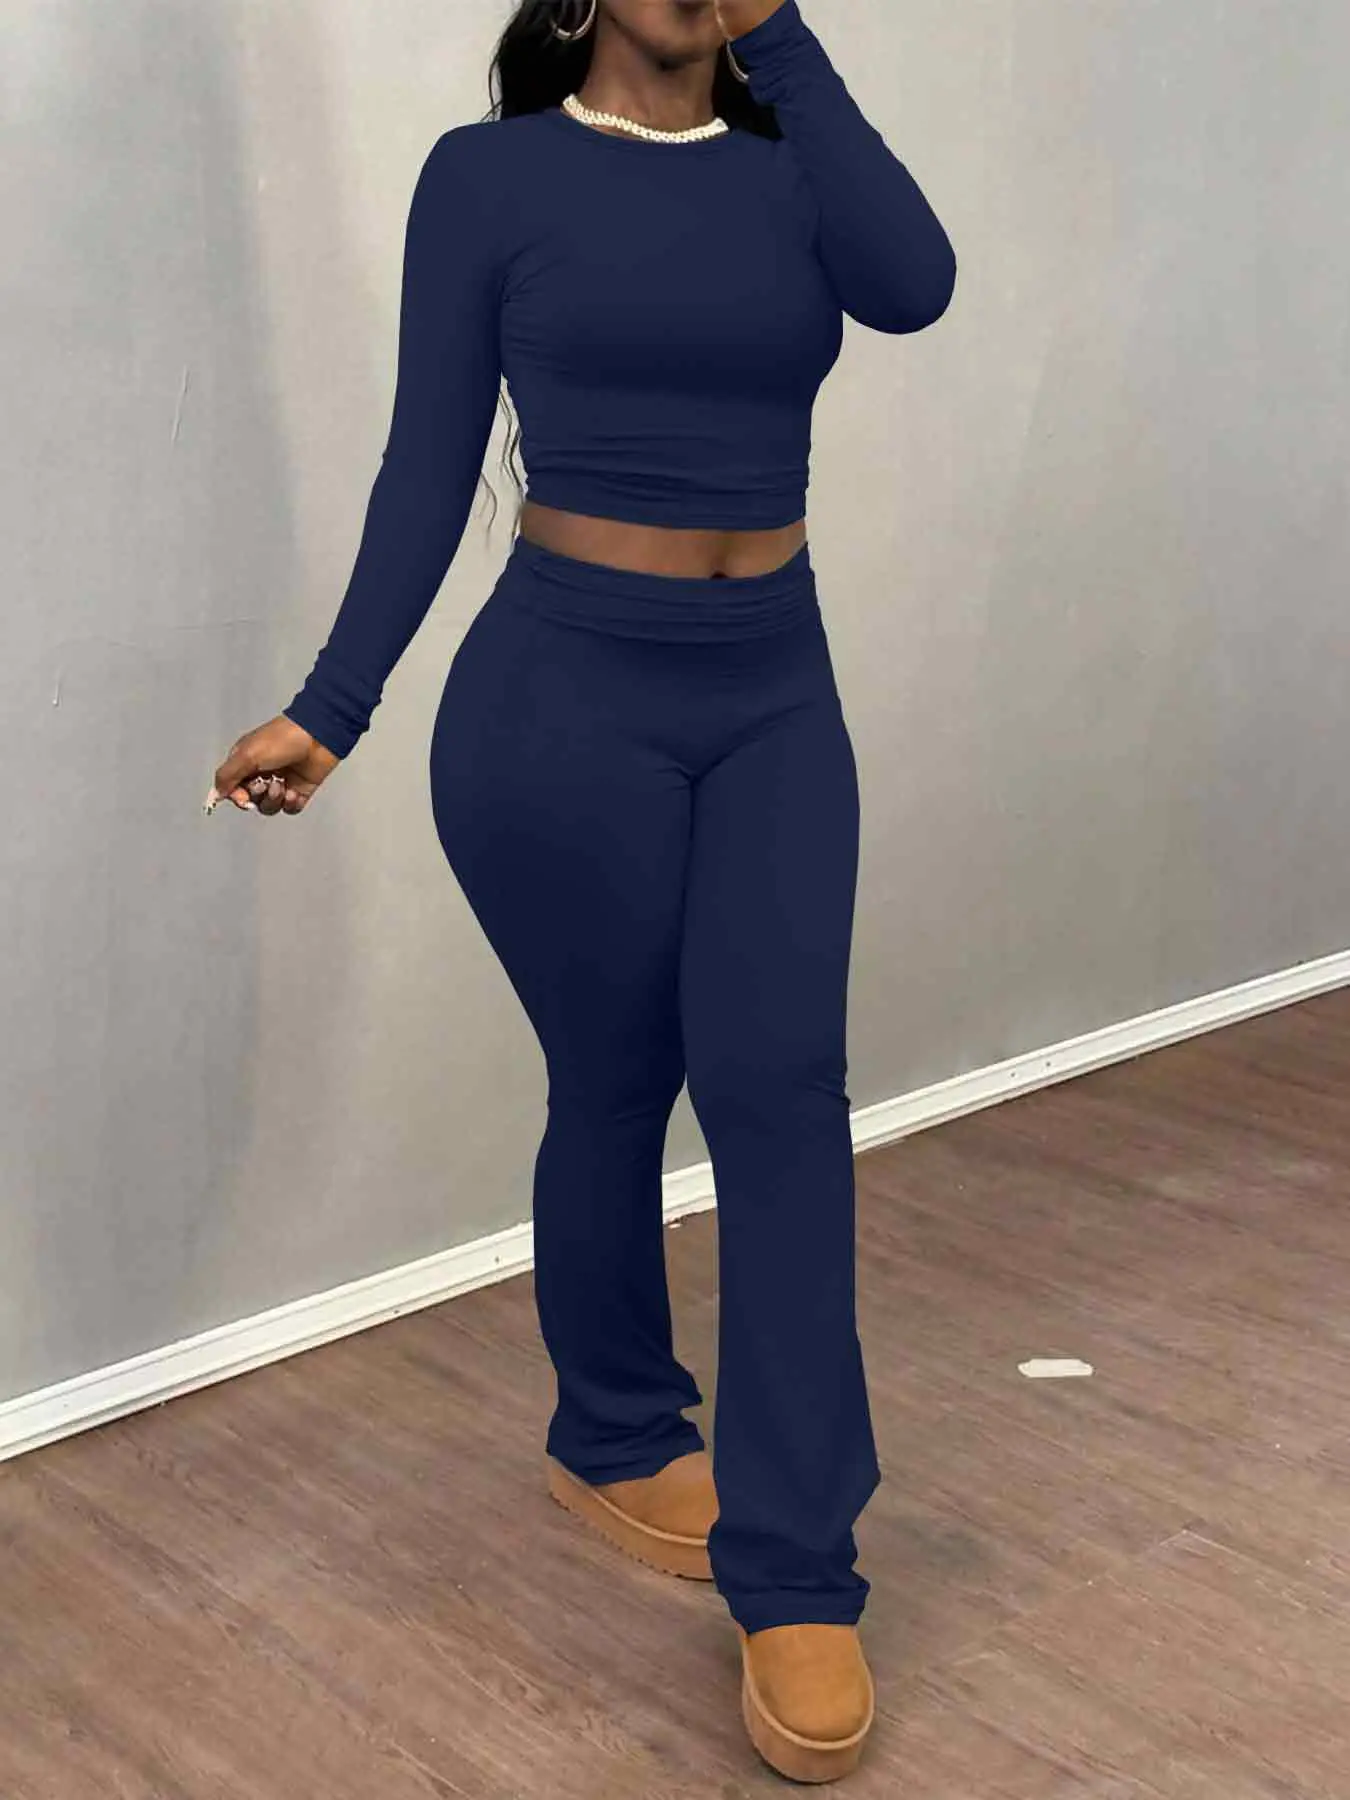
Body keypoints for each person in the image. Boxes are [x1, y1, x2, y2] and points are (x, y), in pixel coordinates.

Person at [208, 0, 955, 1781]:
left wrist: (789, 46)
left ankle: (797, 1571)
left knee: (782, 1098)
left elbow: (914, 287)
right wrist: (332, 706)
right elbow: (426, 456)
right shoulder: (488, 178)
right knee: (614, 1083)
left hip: (773, 691)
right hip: (559, 699)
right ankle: (614, 1425)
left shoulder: (795, 167)